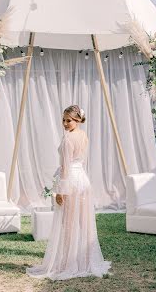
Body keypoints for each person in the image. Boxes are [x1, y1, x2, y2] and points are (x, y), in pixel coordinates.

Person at [26, 105, 111, 281]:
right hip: (83, 182)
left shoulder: (68, 140)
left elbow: (65, 168)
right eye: (63, 120)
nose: (65, 123)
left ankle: (68, 263)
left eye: (69, 120)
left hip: (71, 182)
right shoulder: (83, 135)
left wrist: (60, 192)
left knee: (68, 223)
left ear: (78, 120)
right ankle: (85, 260)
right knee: (84, 222)